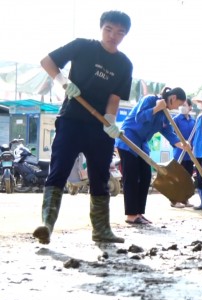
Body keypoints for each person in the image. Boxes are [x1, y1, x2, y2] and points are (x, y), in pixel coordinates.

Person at [33, 10, 133, 244]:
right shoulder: (82, 46)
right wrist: (63, 82)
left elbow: (115, 98)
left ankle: (101, 230)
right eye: (109, 29)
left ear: (125, 35)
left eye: (120, 32)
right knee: (58, 171)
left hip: (99, 127)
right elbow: (47, 61)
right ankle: (46, 225)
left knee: (100, 177)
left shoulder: (124, 64)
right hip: (71, 120)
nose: (113, 36)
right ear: (101, 28)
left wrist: (110, 120)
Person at [117, 87, 188, 224]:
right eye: (178, 104)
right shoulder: (150, 100)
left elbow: (167, 131)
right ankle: (131, 215)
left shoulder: (165, 113)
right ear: (172, 98)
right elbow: (139, 117)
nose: (176, 108)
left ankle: (139, 213)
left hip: (143, 144)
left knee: (145, 177)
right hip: (129, 140)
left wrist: (181, 143)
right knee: (132, 177)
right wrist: (155, 108)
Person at [171, 98, 196, 208]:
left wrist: (194, 147)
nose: (182, 107)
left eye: (185, 105)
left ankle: (185, 199)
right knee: (177, 177)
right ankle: (174, 200)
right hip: (179, 152)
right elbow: (172, 135)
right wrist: (180, 144)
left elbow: (195, 137)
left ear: (190, 107)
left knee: (187, 177)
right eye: (181, 104)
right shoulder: (175, 120)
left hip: (189, 154)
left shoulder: (193, 121)